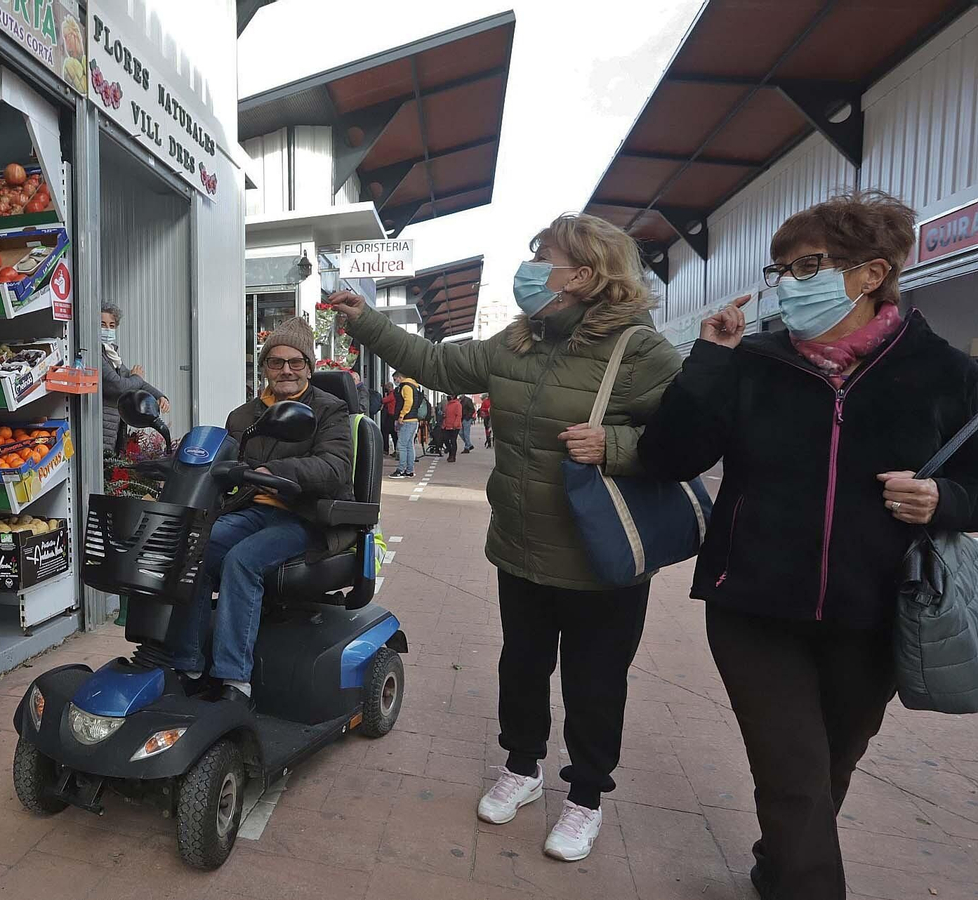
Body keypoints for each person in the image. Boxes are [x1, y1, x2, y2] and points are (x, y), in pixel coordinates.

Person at [637, 191, 978, 900]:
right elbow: (668, 458)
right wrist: (708, 360)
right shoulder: (752, 361)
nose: (788, 282)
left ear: (870, 273)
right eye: (782, 268)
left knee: (831, 767)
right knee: (793, 775)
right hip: (752, 603)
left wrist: (944, 500)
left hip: (875, 612)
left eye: (808, 265)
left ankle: (778, 867)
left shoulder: (946, 374)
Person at [329, 212, 682, 861]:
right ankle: (522, 767)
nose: (528, 267)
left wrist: (617, 445)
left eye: (540, 256)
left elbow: (691, 436)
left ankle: (585, 799)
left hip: (601, 560)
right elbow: (435, 361)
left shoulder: (640, 352)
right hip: (520, 548)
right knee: (521, 667)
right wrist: (369, 322)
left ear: (582, 272)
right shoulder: (517, 342)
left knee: (594, 681)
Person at [168, 316, 354, 705]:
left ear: (309, 365)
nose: (285, 370)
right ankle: (186, 666)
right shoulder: (243, 416)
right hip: (251, 511)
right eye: (276, 362)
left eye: (295, 362)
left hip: (306, 516)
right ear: (264, 367)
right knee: (193, 544)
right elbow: (225, 462)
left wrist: (278, 471)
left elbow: (335, 467)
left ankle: (235, 681)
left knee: (242, 561)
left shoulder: (329, 411)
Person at [99, 301, 169, 455]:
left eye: (112, 325)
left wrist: (159, 396)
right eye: (103, 325)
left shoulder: (112, 355)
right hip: (101, 427)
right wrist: (136, 376)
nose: (108, 329)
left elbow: (135, 383)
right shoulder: (97, 356)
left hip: (113, 426)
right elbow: (119, 386)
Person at [390, 375, 422, 477]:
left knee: (402, 445)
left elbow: (408, 402)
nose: (395, 381)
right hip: (413, 419)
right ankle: (409, 470)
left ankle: (401, 469)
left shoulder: (406, 387)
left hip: (407, 420)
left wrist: (401, 415)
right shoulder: (413, 386)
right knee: (409, 445)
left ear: (399, 377)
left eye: (395, 379)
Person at [440, 394, 463, 462]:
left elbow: (459, 415)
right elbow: (446, 414)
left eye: (450, 395)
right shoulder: (448, 404)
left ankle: (452, 456)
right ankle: (450, 451)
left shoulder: (457, 404)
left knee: (453, 441)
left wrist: (455, 425)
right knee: (445, 439)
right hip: (447, 425)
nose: (448, 396)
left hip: (455, 426)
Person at [380, 381, 397, 455]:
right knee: (393, 433)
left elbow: (384, 400)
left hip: (391, 416)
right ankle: (395, 449)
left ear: (390, 387)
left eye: (386, 388)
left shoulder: (392, 394)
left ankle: (386, 449)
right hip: (392, 415)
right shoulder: (393, 393)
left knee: (385, 431)